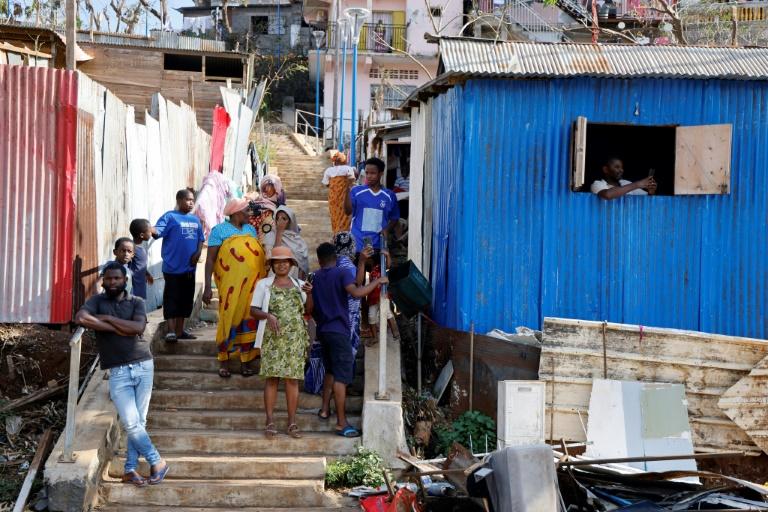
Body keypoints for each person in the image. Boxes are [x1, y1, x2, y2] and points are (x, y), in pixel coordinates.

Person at [75, 262, 169, 486]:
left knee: (139, 422)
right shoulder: (97, 301)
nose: (113, 282)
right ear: (103, 280)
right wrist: (117, 327)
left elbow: (137, 329)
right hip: (117, 370)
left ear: (125, 280)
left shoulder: (136, 302)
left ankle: (129, 469)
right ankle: (157, 461)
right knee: (131, 422)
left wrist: (105, 320)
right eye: (108, 279)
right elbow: (80, 318)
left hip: (143, 364)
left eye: (117, 278)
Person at [312, 243, 388, 438]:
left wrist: (362, 261)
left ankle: (324, 409)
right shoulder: (340, 272)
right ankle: (341, 422)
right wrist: (377, 281)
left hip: (323, 331)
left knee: (329, 370)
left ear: (319, 260)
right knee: (341, 377)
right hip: (339, 332)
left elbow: (355, 281)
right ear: (336, 258)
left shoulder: (317, 276)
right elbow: (356, 291)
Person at [250, 247, 313, 439]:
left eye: (286, 261)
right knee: (272, 379)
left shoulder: (301, 284)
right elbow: (253, 310)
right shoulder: (264, 285)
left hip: (295, 340)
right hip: (272, 339)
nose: (282, 264)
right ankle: (269, 421)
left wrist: (310, 294)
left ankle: (292, 423)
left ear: (292, 264)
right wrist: (268, 315)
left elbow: (308, 311)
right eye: (277, 262)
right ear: (272, 266)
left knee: (292, 380)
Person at [203, 198, 266, 378]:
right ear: (237, 213)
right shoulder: (219, 231)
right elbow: (210, 260)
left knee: (249, 317)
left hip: (253, 287)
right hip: (231, 287)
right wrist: (208, 286)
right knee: (229, 318)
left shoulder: (250, 230)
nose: (249, 214)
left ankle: (245, 361)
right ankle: (224, 360)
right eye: (246, 211)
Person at [153, 189, 205, 343]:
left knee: (185, 301)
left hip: (189, 269)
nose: (191, 203)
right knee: (171, 300)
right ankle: (170, 331)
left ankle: (180, 331)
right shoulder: (169, 217)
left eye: (192, 200)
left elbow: (201, 238)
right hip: (172, 268)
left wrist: (198, 252)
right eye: (188, 200)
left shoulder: (195, 220)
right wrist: (148, 229)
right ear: (179, 200)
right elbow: (157, 231)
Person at [344, 157, 400, 253]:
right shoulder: (356, 191)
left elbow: (395, 217)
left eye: (373, 173)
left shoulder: (389, 196)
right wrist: (346, 190)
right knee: (359, 266)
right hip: (358, 241)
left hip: (378, 243)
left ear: (381, 173)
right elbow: (347, 211)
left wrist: (387, 229)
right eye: (367, 173)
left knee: (375, 268)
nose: (369, 176)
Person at [262, 206, 310, 280]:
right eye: (278, 218)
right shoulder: (270, 235)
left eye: (284, 219)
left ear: (290, 222)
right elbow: (273, 257)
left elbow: (303, 264)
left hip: (294, 279)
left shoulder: (297, 239)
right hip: (275, 278)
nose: (280, 221)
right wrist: (279, 232)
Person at [365, 250, 400, 342]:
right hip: (372, 298)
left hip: (382, 296)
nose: (367, 260)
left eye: (369, 259)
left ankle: (395, 333)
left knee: (387, 313)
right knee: (371, 316)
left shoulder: (379, 268)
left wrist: (387, 255)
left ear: (373, 260)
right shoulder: (370, 269)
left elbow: (388, 265)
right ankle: (375, 337)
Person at [591, 158, 657, 200]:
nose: (621, 170)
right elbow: (607, 195)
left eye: (622, 168)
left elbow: (646, 197)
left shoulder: (626, 183)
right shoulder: (597, 184)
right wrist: (638, 184)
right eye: (617, 167)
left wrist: (651, 191)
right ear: (605, 170)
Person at [322, 152, 357, 234]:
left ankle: (336, 233)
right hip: (345, 197)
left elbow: (326, 183)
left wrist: (334, 188)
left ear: (335, 161)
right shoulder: (348, 169)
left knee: (334, 215)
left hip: (333, 197)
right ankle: (344, 233)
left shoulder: (328, 170)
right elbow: (352, 180)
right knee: (345, 215)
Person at [128, 219, 154, 301]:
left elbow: (140, 265)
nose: (151, 233)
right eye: (149, 231)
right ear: (142, 235)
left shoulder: (140, 249)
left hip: (140, 287)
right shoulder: (131, 249)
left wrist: (147, 273)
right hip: (133, 289)